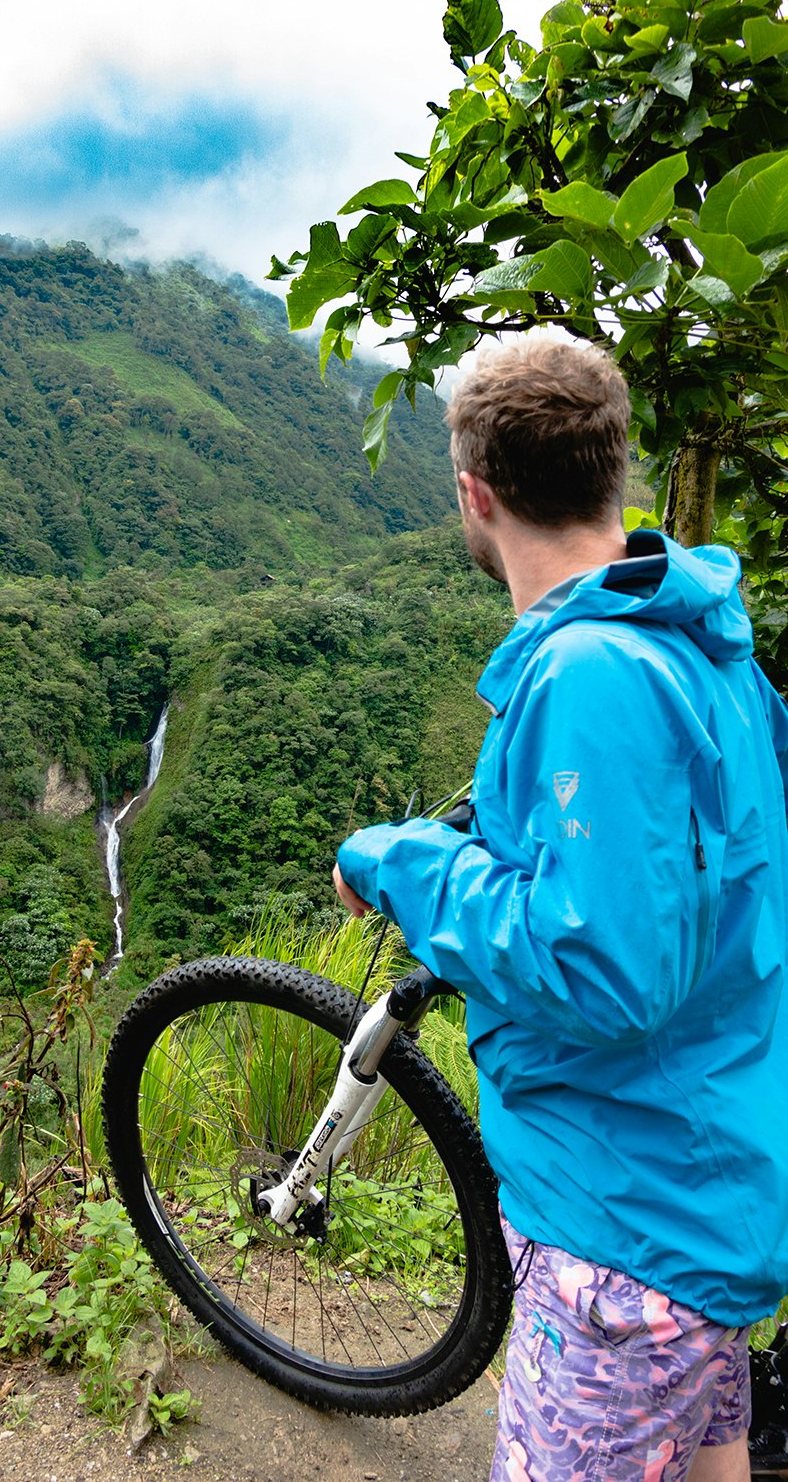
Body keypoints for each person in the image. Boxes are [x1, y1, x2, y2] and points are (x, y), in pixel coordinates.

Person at [332, 337, 788, 1482]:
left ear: (472, 495)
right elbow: (675, 878)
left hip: (620, 1224)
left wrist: (400, 864)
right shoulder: (699, 642)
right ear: (614, 469)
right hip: (709, 1170)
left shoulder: (588, 674)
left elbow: (603, 973)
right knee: (709, 1452)